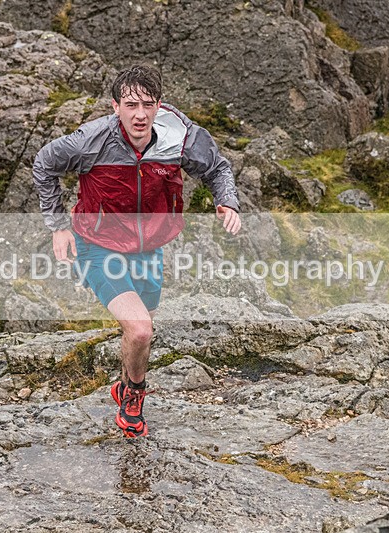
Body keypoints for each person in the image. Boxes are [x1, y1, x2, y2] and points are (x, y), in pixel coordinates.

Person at [33, 65, 241, 438]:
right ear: (116, 107)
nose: (140, 114)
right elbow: (44, 164)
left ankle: (124, 384)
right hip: (97, 245)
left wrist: (226, 201)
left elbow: (217, 167)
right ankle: (134, 398)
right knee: (141, 329)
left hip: (149, 247)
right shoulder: (91, 140)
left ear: (159, 105)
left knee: (142, 330)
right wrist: (58, 227)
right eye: (131, 105)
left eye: (148, 104)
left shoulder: (179, 135)